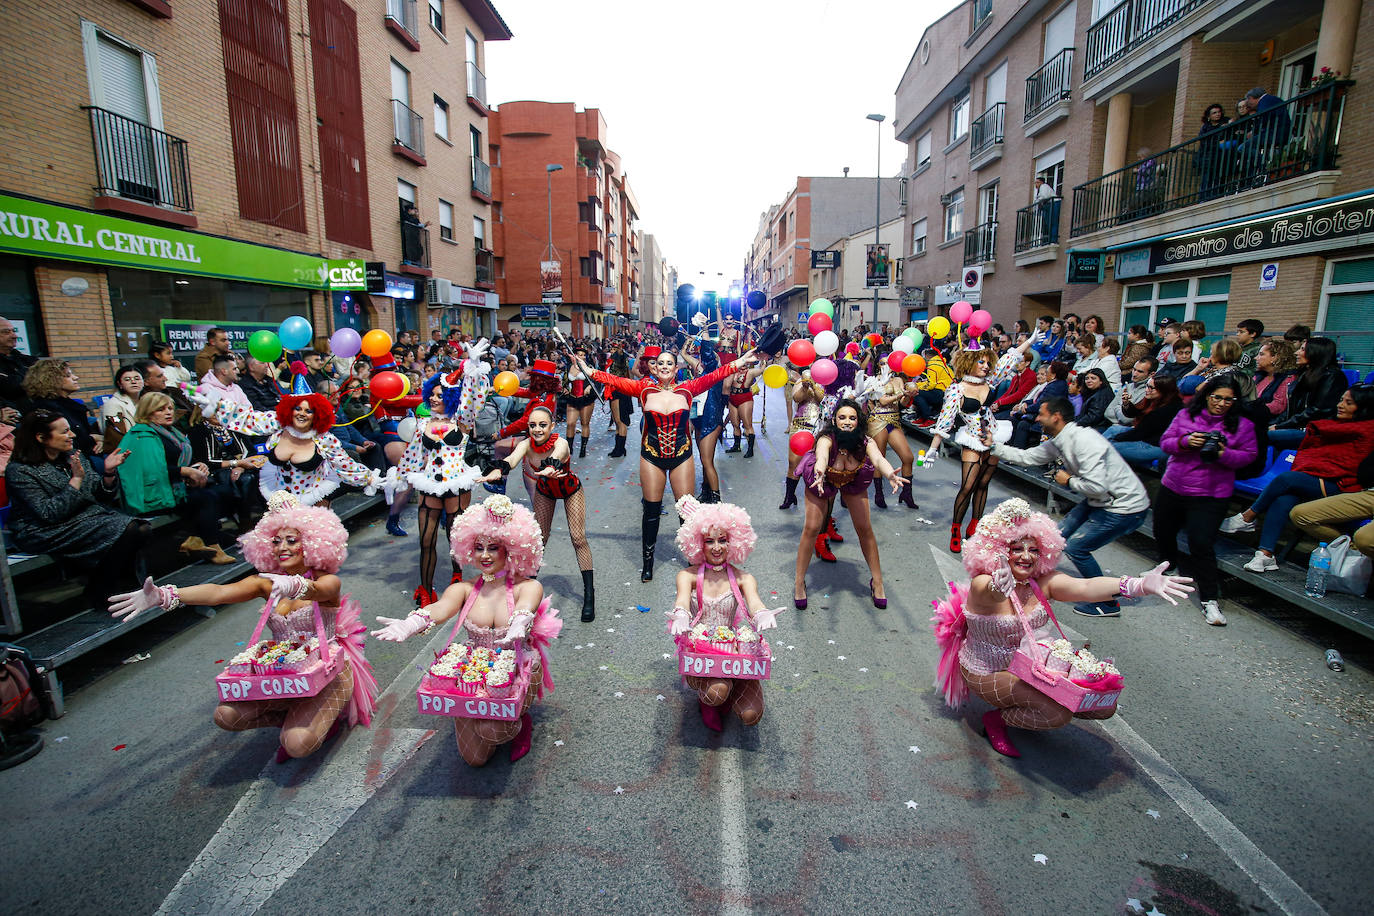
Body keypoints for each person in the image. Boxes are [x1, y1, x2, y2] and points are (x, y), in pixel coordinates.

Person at [110, 492, 378, 761]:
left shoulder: (328, 580)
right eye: (276, 541)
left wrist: (294, 585)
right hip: (284, 671)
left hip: (326, 670)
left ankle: (315, 724)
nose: (281, 547)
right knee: (225, 715)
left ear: (311, 544)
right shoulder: (265, 583)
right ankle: (289, 716)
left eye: (291, 540)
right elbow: (218, 593)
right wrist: (166, 595)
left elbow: (319, 590)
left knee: (297, 744)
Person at [931, 498, 1193, 758]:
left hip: (1030, 664)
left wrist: (1138, 585)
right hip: (987, 670)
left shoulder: (1043, 582)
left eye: (1033, 550)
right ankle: (996, 720)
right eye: (1015, 548)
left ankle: (1030, 703)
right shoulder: (984, 583)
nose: (1025, 556)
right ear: (996, 550)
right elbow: (990, 594)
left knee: (1101, 706)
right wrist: (999, 585)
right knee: (1056, 714)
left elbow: (1086, 588)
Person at [372, 495, 561, 766]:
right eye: (478, 547)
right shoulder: (463, 589)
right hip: (473, 673)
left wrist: (520, 623)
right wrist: (411, 623)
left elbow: (527, 606)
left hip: (517, 668)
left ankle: (520, 720)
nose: (484, 555)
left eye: (493, 547)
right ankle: (475, 712)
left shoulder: (526, 586)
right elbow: (440, 609)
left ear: (510, 548)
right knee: (474, 760)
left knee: (492, 730)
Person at [571, 345, 758, 581]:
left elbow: (715, 375)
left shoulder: (688, 388)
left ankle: (693, 560)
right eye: (660, 364)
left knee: (687, 512)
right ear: (654, 367)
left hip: (681, 455)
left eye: (669, 363)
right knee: (651, 511)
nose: (665, 367)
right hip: (652, 455)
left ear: (676, 367)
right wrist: (587, 369)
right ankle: (647, 564)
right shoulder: (644, 388)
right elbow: (615, 380)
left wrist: (740, 361)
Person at [986, 399, 1152, 617]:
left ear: (1056, 416)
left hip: (1124, 507)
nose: (1036, 419)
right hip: (1101, 500)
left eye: (1041, 414)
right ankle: (1028, 578)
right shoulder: (1060, 441)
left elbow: (1098, 486)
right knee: (1056, 535)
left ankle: (1107, 603)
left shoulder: (1084, 441)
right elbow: (1028, 457)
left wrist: (1069, 481)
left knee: (1076, 548)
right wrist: (993, 446)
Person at [1221, 387, 1374, 572]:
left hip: (1343, 485)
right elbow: (1321, 454)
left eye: (1348, 403)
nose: (1340, 405)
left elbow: (1348, 466)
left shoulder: (1366, 430)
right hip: (1319, 479)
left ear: (1364, 408)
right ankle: (1265, 554)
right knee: (1285, 496)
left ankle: (1248, 516)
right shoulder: (1333, 427)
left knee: (1286, 479)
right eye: (1341, 400)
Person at [666, 495, 784, 732]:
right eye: (710, 541)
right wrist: (680, 614)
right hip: (702, 650)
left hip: (733, 650)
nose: (717, 547)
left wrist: (761, 614)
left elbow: (754, 602)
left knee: (751, 714)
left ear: (734, 542)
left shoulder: (744, 577)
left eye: (723, 540)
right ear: (699, 543)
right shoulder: (687, 576)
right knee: (716, 693)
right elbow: (681, 600)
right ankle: (710, 697)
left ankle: (728, 689)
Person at [188, 368, 383, 507]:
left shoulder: (323, 439)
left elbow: (345, 465)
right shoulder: (277, 424)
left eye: (309, 410)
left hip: (314, 503)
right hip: (280, 503)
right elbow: (248, 418)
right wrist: (216, 405)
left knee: (311, 555)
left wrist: (373, 480)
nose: (302, 414)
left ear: (318, 414)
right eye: (297, 408)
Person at [5, 409, 139, 609]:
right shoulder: (20, 470)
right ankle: (102, 589)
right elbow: (48, 513)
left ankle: (111, 586)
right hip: (40, 530)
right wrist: (75, 481)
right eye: (64, 432)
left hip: (80, 518)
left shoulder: (71, 456)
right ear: (41, 437)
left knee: (137, 528)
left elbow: (101, 494)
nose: (73, 435)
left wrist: (109, 472)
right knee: (129, 529)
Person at [1155, 374, 1258, 626]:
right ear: (1207, 396)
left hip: (1211, 493)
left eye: (1228, 400)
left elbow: (1248, 457)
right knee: (1163, 531)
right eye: (1217, 398)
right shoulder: (1185, 416)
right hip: (1174, 485)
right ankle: (1167, 570)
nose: (1222, 404)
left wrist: (1223, 453)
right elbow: (1165, 443)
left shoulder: (1243, 426)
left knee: (1201, 544)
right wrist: (1186, 441)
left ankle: (1209, 599)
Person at [481, 406, 596, 622]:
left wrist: (552, 465)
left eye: (542, 425)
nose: (537, 429)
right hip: (545, 490)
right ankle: (526, 594)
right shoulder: (526, 444)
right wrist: (498, 470)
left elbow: (560, 453)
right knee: (539, 540)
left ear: (551, 426)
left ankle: (589, 596)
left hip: (569, 488)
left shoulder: (559, 442)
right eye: (532, 425)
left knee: (578, 538)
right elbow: (512, 460)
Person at [793, 399, 910, 608]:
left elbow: (878, 459)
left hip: (852, 479)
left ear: (858, 421)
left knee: (865, 529)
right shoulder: (826, 439)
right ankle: (799, 582)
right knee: (811, 528)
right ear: (835, 420)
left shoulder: (866, 442)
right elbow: (821, 454)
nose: (847, 422)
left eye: (852, 418)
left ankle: (878, 582)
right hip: (822, 480)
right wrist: (820, 469)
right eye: (842, 417)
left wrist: (889, 473)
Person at [393, 361, 490, 606]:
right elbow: (413, 456)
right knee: (426, 541)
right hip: (429, 485)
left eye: (441, 395)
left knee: (454, 538)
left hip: (456, 485)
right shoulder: (423, 425)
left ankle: (457, 577)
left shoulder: (462, 421)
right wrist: (395, 479)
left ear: (451, 397)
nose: (435, 400)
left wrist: (472, 373)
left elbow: (474, 400)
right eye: (432, 395)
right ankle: (425, 590)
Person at [924, 340, 1037, 552]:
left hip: (994, 437)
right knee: (967, 487)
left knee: (983, 485)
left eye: (987, 362)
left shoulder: (991, 380)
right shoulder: (956, 390)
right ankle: (956, 529)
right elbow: (945, 420)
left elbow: (1007, 361)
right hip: (973, 439)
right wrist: (932, 449)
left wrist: (1028, 342)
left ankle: (975, 526)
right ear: (969, 362)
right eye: (981, 362)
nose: (986, 366)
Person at [117, 392, 235, 564]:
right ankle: (212, 545)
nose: (168, 412)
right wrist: (185, 472)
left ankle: (200, 538)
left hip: (173, 487)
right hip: (151, 495)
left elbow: (176, 461)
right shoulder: (142, 435)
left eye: (170, 408)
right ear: (148, 412)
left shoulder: (168, 432)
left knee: (222, 490)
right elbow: (153, 471)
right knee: (205, 497)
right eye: (161, 409)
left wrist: (196, 466)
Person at [860, 366, 919, 509]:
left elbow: (902, 404)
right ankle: (878, 494)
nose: (886, 366)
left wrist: (908, 396)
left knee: (908, 457)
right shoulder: (875, 380)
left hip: (894, 420)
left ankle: (906, 494)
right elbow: (883, 401)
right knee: (880, 458)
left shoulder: (898, 379)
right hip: (878, 421)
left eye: (889, 363)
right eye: (882, 363)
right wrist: (901, 394)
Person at [1271, 337, 1346, 449]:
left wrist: (1280, 427)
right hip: (1296, 426)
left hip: (1315, 430)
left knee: (1263, 435)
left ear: (1315, 352)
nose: (1296, 353)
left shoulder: (1333, 376)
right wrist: (1275, 424)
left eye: (1302, 349)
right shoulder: (1305, 374)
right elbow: (1291, 409)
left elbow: (1317, 411)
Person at [1109, 374, 1184, 470]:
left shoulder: (1165, 410)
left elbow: (1139, 433)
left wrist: (1115, 439)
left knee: (1109, 446)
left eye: (1151, 388)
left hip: (1156, 445)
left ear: (1163, 390)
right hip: (1145, 435)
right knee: (1113, 429)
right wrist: (1127, 403)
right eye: (1147, 386)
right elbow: (1136, 412)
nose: (1146, 390)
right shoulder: (1154, 400)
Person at [780, 368, 824, 509]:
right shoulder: (800, 381)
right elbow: (797, 398)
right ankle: (789, 497)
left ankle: (816, 499)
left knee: (818, 463)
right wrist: (805, 386)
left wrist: (813, 385)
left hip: (819, 426)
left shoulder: (825, 382)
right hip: (800, 425)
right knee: (793, 462)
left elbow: (821, 399)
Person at [1009, 359, 1070, 449]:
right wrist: (1026, 403)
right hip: (1041, 411)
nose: (1046, 374)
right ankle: (1012, 447)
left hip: (1048, 416)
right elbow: (1037, 400)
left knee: (1023, 423)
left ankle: (1017, 452)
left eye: (1047, 372)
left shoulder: (1056, 387)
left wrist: (1026, 409)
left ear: (1053, 375)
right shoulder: (1055, 384)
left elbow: (1042, 404)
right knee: (1016, 417)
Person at [1179, 338, 1254, 401]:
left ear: (1218, 355)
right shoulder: (1212, 370)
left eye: (1212, 353)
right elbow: (1183, 381)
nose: (1210, 356)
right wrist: (1198, 368)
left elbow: (1199, 390)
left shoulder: (1227, 374)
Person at [562, 347, 597, 459]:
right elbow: (565, 382)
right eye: (579, 354)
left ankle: (583, 449)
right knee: (570, 423)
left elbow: (596, 382)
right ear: (575, 355)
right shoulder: (568, 367)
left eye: (583, 355)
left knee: (584, 423)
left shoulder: (589, 367)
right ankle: (569, 448)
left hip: (586, 399)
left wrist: (590, 387)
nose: (582, 357)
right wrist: (565, 388)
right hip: (573, 398)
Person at [1195, 103, 1236, 199]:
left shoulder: (1226, 122)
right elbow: (1205, 143)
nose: (1217, 114)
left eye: (1219, 112)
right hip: (1208, 157)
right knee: (1207, 179)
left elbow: (1231, 136)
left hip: (1222, 156)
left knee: (1219, 177)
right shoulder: (1205, 127)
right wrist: (1217, 143)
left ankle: (1217, 196)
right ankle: (1204, 198)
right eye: (1214, 113)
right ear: (1209, 116)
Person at [0, 316, 37, 413]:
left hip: (46, 414)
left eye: (14, 331)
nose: (14, 336)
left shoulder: (29, 360)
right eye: (6, 332)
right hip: (17, 420)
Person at [1252, 338, 1296, 417]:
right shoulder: (1259, 376)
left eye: (1261, 354)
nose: (1256, 358)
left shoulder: (1287, 378)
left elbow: (1279, 406)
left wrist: (1251, 408)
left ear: (1275, 357)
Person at [1106, 357, 1155, 428]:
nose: (1134, 374)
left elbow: (1127, 419)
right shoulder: (1126, 386)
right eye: (1134, 369)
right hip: (1113, 426)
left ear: (1151, 374)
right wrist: (1122, 414)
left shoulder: (1148, 392)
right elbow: (1107, 413)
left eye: (1140, 371)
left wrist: (1118, 406)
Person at [99, 364, 144, 440]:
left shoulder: (146, 401)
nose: (133, 382)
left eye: (137, 379)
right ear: (120, 384)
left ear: (144, 382)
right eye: (127, 379)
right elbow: (116, 436)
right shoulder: (112, 404)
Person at [605, 348, 635, 457]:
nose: (612, 350)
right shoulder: (615, 362)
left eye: (614, 348)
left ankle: (620, 449)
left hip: (619, 390)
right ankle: (618, 448)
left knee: (621, 421)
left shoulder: (619, 362)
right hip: (616, 391)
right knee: (618, 421)